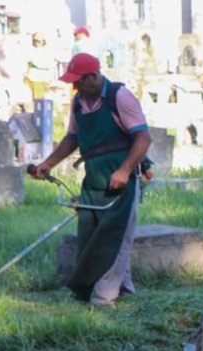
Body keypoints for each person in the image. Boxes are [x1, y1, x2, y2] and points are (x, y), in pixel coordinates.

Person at [27, 53, 152, 307]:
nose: (76, 87)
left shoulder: (120, 97)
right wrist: (47, 164)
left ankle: (103, 297)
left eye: (80, 81)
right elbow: (72, 138)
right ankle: (123, 289)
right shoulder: (78, 103)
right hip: (93, 177)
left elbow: (143, 138)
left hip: (121, 178)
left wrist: (125, 170)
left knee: (114, 235)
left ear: (94, 76)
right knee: (91, 235)